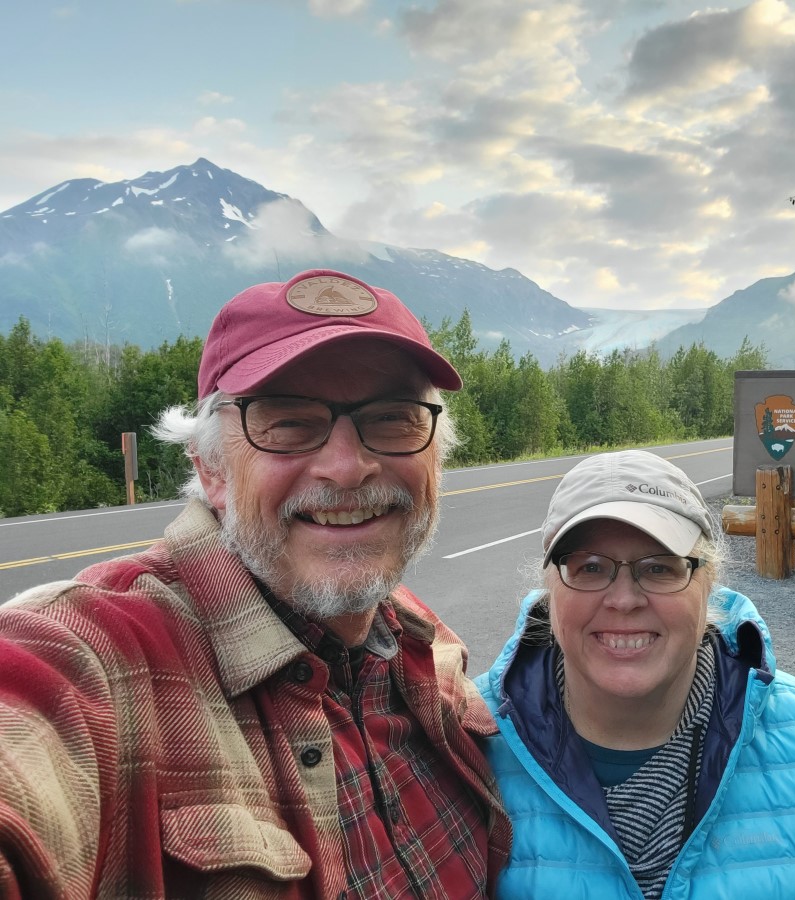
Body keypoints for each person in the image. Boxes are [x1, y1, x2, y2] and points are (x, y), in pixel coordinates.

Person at [0, 269, 511, 898]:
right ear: (211, 469)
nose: (347, 468)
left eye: (392, 419)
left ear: (435, 454)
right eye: (289, 422)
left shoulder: (421, 643)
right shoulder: (101, 664)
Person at [476, 449, 795, 898]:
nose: (623, 599)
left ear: (708, 584)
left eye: (659, 568)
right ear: (550, 590)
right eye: (590, 568)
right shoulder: (467, 743)